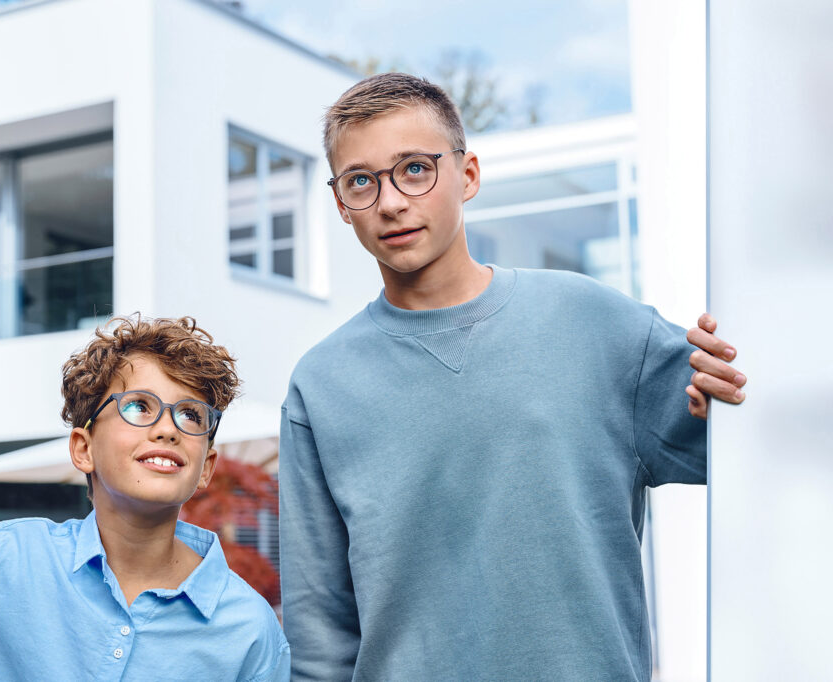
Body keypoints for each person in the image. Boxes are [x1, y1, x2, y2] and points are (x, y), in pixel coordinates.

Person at [278, 73, 746, 681]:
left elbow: (758, 453)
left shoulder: (595, 324)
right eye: (361, 181)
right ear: (342, 204)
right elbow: (320, 634)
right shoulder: (321, 386)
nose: (390, 201)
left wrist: (732, 398)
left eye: (414, 168)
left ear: (467, 175)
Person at [0, 315, 290, 681]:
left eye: (190, 415)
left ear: (206, 467)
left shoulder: (251, 631)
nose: (168, 429)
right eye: (139, 406)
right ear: (83, 448)